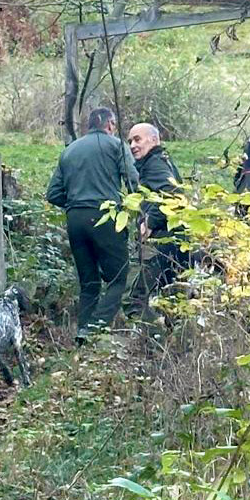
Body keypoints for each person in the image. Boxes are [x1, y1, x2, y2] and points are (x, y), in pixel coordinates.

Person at [45, 107, 139, 340]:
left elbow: (53, 193)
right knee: (119, 277)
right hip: (105, 216)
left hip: (75, 219)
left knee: (89, 282)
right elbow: (133, 182)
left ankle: (82, 334)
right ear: (110, 125)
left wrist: (76, 203)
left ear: (89, 126)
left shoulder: (69, 151)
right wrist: (136, 209)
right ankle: (96, 328)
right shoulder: (116, 145)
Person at [125, 123, 187, 318]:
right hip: (175, 243)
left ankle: (149, 343)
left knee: (134, 300)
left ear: (153, 140)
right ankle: (172, 344)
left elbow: (174, 194)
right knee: (169, 300)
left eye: (137, 139)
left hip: (163, 244)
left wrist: (149, 222)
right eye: (130, 142)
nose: (133, 145)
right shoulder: (162, 161)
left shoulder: (154, 164)